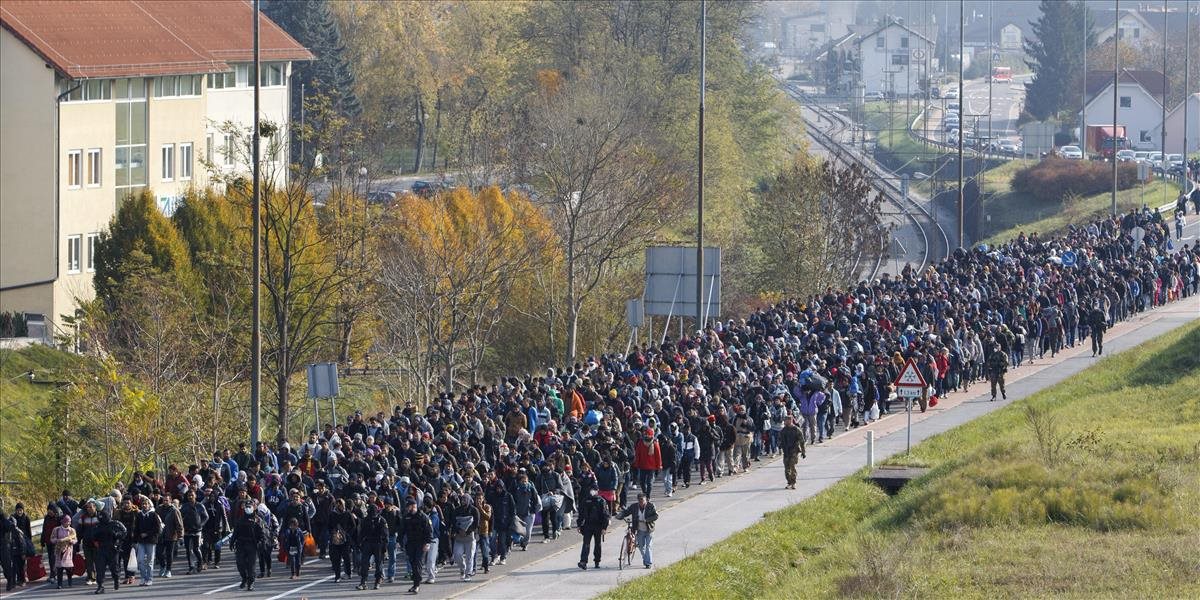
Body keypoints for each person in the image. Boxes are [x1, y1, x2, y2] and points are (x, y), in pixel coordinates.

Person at [400, 498, 433, 594]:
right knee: (412, 563)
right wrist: (401, 542)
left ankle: (417, 584)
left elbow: (429, 531)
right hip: (410, 543)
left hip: (421, 543)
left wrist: (427, 543)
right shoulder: (406, 517)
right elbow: (402, 530)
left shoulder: (423, 517)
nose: (407, 508)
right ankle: (415, 583)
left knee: (418, 562)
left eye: (409, 506)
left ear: (414, 506)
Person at [232, 501, 266, 591]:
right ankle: (244, 578)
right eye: (246, 506)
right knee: (240, 563)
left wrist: (261, 543)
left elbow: (262, 534)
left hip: (252, 544)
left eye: (250, 506)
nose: (248, 508)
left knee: (251, 566)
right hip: (240, 544)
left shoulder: (257, 520)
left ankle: (251, 582)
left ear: (254, 507)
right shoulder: (240, 519)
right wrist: (232, 542)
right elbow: (235, 532)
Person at [616, 493, 657, 569]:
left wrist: (646, 520)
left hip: (649, 529)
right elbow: (627, 512)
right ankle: (646, 559)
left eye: (642, 500)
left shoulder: (651, 506)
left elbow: (655, 516)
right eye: (639, 500)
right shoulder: (634, 506)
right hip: (639, 529)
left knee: (648, 546)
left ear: (646, 500)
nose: (641, 502)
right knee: (641, 546)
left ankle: (648, 563)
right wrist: (620, 515)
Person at [92, 512, 126, 595]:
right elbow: (93, 535)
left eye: (102, 517)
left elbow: (124, 532)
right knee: (100, 568)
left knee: (114, 568)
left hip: (112, 549)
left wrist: (116, 535)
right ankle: (100, 586)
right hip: (101, 549)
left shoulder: (115, 524)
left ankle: (116, 579)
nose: (101, 518)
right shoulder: (97, 525)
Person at [575, 487, 609, 570]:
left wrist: (604, 527)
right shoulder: (585, 500)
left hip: (598, 526)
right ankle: (583, 561)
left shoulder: (601, 501)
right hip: (587, 525)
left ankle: (597, 561)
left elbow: (605, 515)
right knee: (586, 544)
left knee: (597, 544)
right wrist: (579, 525)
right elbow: (581, 514)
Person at [132, 496, 163, 586]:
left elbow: (157, 528)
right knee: (140, 560)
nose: (144, 506)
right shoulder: (139, 515)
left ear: (149, 505)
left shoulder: (153, 515)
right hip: (141, 541)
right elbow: (136, 528)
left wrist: (147, 534)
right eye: (143, 504)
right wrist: (134, 540)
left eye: (146, 504)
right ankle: (143, 578)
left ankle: (149, 579)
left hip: (151, 541)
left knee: (149, 561)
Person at [357, 504, 389, 590]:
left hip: (378, 543)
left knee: (379, 564)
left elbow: (386, 535)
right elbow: (361, 533)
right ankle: (363, 582)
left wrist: (384, 547)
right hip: (368, 543)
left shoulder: (381, 520)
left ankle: (377, 581)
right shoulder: (366, 520)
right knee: (365, 563)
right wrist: (359, 543)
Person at [179, 490, 209, 574]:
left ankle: (200, 562)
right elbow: (180, 518)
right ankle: (191, 566)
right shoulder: (184, 506)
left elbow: (206, 517)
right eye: (189, 495)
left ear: (195, 496)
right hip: (187, 531)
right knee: (188, 550)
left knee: (196, 549)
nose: (190, 497)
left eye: (192, 495)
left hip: (197, 531)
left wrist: (200, 525)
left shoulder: (200, 506)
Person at [779, 415, 807, 490]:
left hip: (794, 451)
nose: (785, 422)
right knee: (786, 468)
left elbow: (802, 441)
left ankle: (793, 482)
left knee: (792, 466)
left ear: (790, 420)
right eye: (785, 420)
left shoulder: (796, 430)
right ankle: (789, 482)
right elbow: (780, 440)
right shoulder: (783, 430)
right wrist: (780, 446)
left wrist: (803, 452)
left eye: (786, 420)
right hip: (786, 451)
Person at [49, 514, 77, 589]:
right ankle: (59, 584)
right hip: (59, 550)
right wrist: (57, 541)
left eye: (70, 522)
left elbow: (75, 540)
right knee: (59, 568)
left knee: (68, 568)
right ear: (63, 522)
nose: (69, 523)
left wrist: (72, 541)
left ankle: (70, 582)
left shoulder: (72, 530)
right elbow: (52, 539)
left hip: (68, 550)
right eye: (67, 522)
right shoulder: (56, 529)